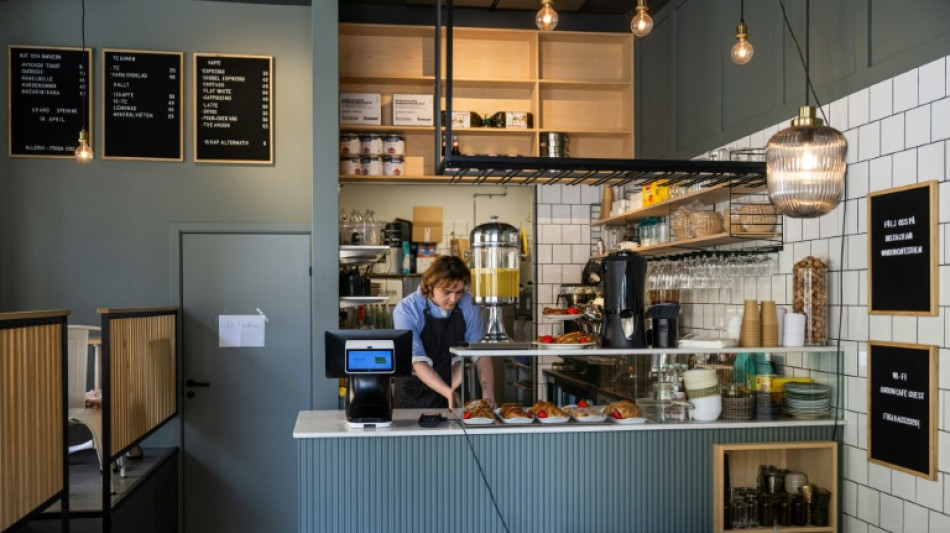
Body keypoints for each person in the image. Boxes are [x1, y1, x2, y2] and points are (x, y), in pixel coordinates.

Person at [392, 255, 494, 409]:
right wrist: (447, 391)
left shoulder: (469, 304)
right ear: (430, 286)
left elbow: (479, 353)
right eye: (447, 292)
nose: (454, 299)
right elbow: (417, 361)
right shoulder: (407, 310)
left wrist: (488, 395)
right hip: (415, 394)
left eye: (459, 292)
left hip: (455, 385)